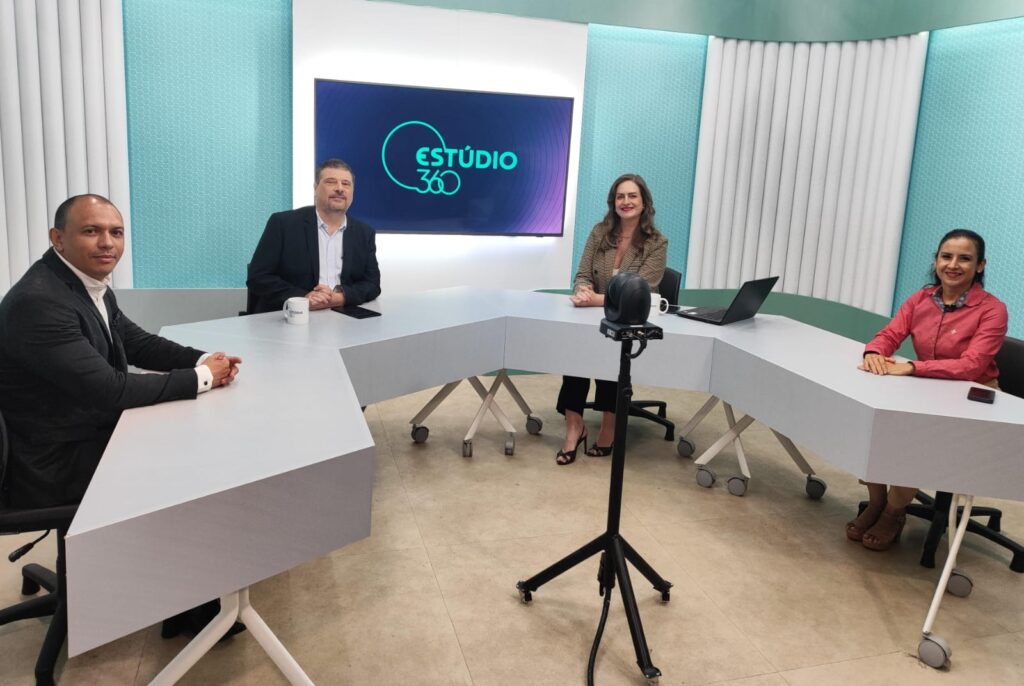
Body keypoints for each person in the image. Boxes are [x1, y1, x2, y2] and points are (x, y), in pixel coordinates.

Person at [0, 194, 244, 641]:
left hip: (71, 431)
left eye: (116, 232)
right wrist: (200, 379)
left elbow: (137, 343)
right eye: (91, 231)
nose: (107, 243)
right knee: (183, 469)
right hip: (46, 464)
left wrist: (205, 359)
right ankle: (188, 609)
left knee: (182, 440)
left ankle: (174, 593)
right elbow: (110, 391)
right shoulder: (40, 302)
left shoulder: (82, 283)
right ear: (58, 238)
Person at [847, 228, 1007, 550]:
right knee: (874, 424)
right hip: (925, 387)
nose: (953, 264)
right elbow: (890, 334)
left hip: (972, 395)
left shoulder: (993, 309)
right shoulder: (921, 299)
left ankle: (894, 512)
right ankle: (877, 501)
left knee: (916, 440)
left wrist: (912, 367)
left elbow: (971, 366)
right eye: (946, 256)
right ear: (936, 261)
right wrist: (875, 352)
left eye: (965, 258)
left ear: (980, 266)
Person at [555, 173, 668, 465]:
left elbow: (642, 289)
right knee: (574, 352)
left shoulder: (656, 243)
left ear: (644, 203)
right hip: (590, 314)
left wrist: (597, 300)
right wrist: (583, 291)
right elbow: (581, 274)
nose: (626, 202)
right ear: (613, 202)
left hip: (628, 321)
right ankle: (573, 427)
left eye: (632, 196)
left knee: (611, 355)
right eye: (620, 196)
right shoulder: (599, 233)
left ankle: (609, 426)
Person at [247, 158, 381, 313]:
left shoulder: (364, 233)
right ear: (315, 188)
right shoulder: (283, 224)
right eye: (331, 182)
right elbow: (258, 277)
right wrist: (304, 298)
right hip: (292, 317)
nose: (339, 189)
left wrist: (340, 297)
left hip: (343, 317)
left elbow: (372, 284)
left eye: (346, 184)